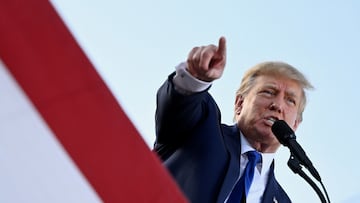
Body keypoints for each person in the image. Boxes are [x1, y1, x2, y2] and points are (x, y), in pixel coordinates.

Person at [154, 36, 313, 203]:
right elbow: (180, 104)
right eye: (268, 92)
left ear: (295, 124)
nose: (277, 105)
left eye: (290, 100)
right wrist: (196, 78)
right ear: (239, 103)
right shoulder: (200, 127)